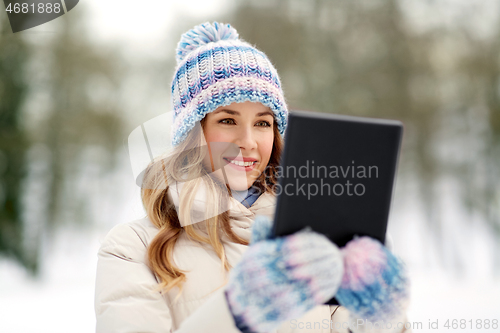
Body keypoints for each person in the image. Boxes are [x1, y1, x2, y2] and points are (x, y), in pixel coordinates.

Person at [94, 22, 411, 333]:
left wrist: (379, 317)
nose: (248, 140)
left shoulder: (318, 241)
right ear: (193, 132)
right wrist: (237, 313)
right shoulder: (132, 248)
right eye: (228, 119)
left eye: (263, 123)